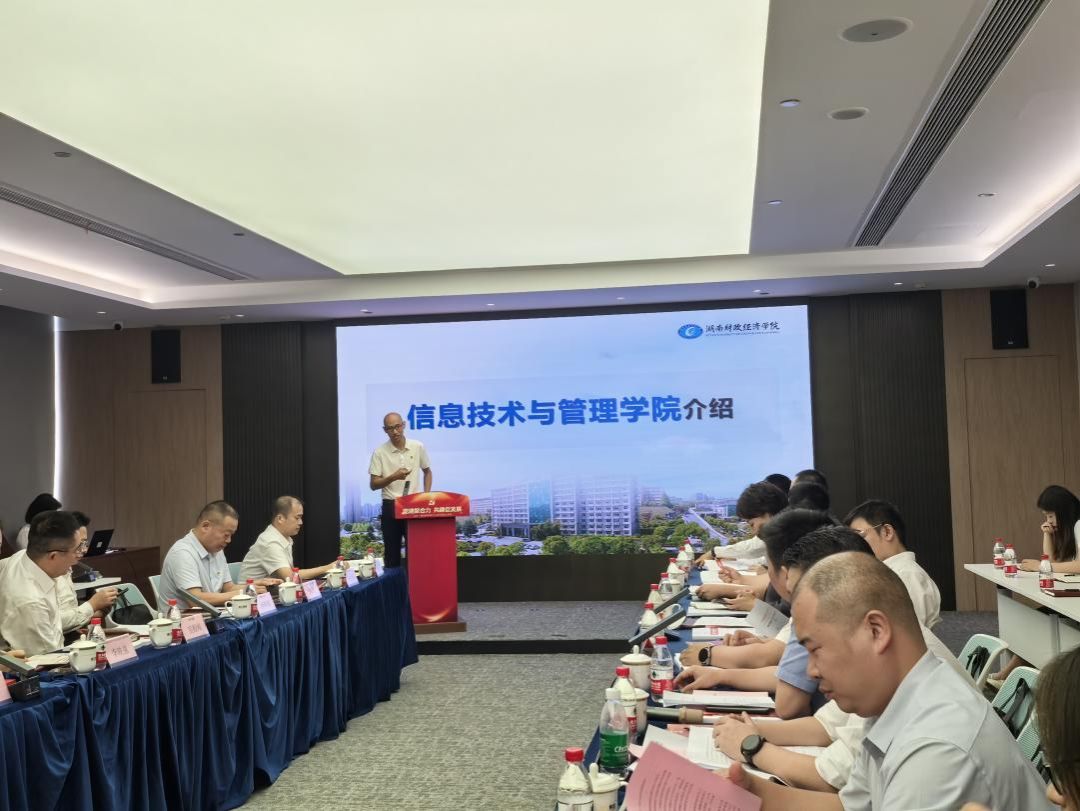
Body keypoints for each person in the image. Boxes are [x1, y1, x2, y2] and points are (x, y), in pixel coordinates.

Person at [723, 552, 1050, 810]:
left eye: (816, 650)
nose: (811, 671)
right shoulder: (899, 702)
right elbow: (849, 806)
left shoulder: (935, 753)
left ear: (875, 631)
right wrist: (754, 794)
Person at [711, 527, 972, 793]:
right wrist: (751, 731)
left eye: (816, 650)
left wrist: (754, 748)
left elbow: (833, 777)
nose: (811, 670)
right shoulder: (887, 675)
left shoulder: (933, 739)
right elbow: (828, 729)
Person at [679, 509, 834, 675]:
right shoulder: (822, 593)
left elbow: (768, 658)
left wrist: (708, 654)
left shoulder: (810, 609)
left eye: (769, 565)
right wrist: (764, 642)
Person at [993, 485, 1080, 686]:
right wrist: (1047, 535)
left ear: (1063, 510)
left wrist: (1041, 566)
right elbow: (1052, 561)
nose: (1048, 521)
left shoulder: (1079, 525)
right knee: (1039, 618)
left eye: (1050, 515)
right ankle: (1009, 674)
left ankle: (1008, 675)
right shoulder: (1072, 529)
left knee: (1041, 619)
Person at [158, 501, 280, 613]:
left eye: (231, 535)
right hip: (183, 624)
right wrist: (243, 592)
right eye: (226, 535)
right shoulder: (183, 553)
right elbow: (195, 600)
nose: (229, 540)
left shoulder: (216, 550)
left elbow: (228, 588)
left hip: (212, 617)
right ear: (206, 526)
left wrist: (254, 585)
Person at [844, 499, 941, 630]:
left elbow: (906, 635)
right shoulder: (893, 575)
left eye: (860, 537)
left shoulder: (907, 576)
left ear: (887, 532)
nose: (855, 546)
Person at [0, 510, 83, 655]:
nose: (79, 556)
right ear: (53, 556)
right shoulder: (30, 603)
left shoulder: (25, 557)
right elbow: (48, 661)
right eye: (77, 550)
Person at [369, 411, 432, 568]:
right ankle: (394, 584)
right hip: (391, 505)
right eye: (390, 428)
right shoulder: (379, 452)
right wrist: (393, 477)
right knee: (392, 555)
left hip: (414, 505)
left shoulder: (417, 446)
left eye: (397, 426)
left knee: (417, 552)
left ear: (403, 425)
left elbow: (427, 472)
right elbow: (373, 484)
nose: (395, 431)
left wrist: (426, 496)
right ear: (385, 430)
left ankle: (416, 584)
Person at [239, 496, 339, 582]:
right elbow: (290, 577)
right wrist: (330, 567)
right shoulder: (270, 542)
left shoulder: (284, 537)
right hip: (253, 596)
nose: (301, 522)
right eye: (297, 518)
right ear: (280, 519)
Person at [698, 481, 788, 571]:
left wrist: (767, 572)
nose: (754, 532)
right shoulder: (782, 536)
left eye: (752, 524)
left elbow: (753, 548)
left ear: (769, 513)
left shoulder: (792, 545)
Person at [57, 510, 117, 633]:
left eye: (85, 543)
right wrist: (92, 604)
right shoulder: (50, 574)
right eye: (81, 543)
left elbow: (70, 618)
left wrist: (96, 612)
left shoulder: (67, 569)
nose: (84, 549)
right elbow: (55, 623)